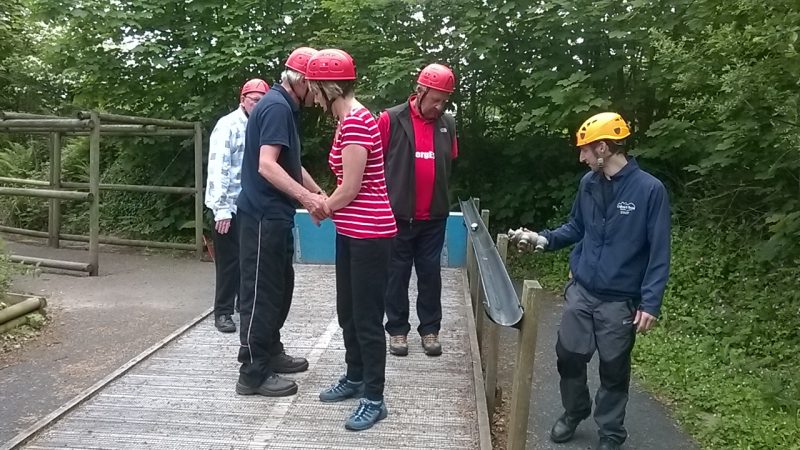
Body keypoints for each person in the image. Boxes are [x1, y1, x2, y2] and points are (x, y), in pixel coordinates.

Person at [508, 112, 671, 450]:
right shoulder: (589, 185)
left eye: (585, 150)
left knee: (613, 369)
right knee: (568, 355)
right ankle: (575, 410)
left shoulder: (649, 190)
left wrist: (650, 302)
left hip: (619, 300)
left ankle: (610, 432)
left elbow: (659, 252)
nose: (581, 157)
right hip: (582, 291)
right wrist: (542, 239)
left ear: (603, 147)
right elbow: (576, 227)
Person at [305, 48, 397, 431]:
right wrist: (330, 207)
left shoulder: (358, 122)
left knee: (367, 318)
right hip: (351, 230)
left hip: (370, 233)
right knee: (348, 311)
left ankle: (374, 399)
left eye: (313, 89)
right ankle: (356, 376)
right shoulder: (345, 122)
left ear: (329, 87)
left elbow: (352, 188)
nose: (311, 97)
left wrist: (321, 206)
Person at [234, 47, 330, 398]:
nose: (318, 93)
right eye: (316, 84)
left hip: (276, 215)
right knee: (262, 291)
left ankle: (270, 351)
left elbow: (289, 164)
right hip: (262, 216)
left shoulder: (282, 107)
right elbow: (267, 165)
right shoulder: (276, 108)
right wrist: (308, 200)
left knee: (280, 287)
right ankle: (253, 372)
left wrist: (319, 193)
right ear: (302, 80)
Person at [379, 63, 458, 357]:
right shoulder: (391, 119)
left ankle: (430, 330)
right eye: (435, 98)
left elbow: (451, 160)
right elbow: (375, 163)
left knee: (430, 275)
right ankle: (397, 331)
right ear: (420, 91)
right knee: (396, 275)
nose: (439, 105)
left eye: (444, 100)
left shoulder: (447, 124)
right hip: (397, 215)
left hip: (434, 217)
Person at [205, 78, 268, 333]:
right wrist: (221, 209)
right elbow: (218, 169)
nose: (258, 104)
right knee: (229, 262)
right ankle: (222, 311)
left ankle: (244, 304)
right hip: (228, 205)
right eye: (254, 100)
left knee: (249, 259)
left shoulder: (261, 125)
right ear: (243, 100)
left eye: (262, 100)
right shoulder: (228, 126)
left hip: (250, 205)